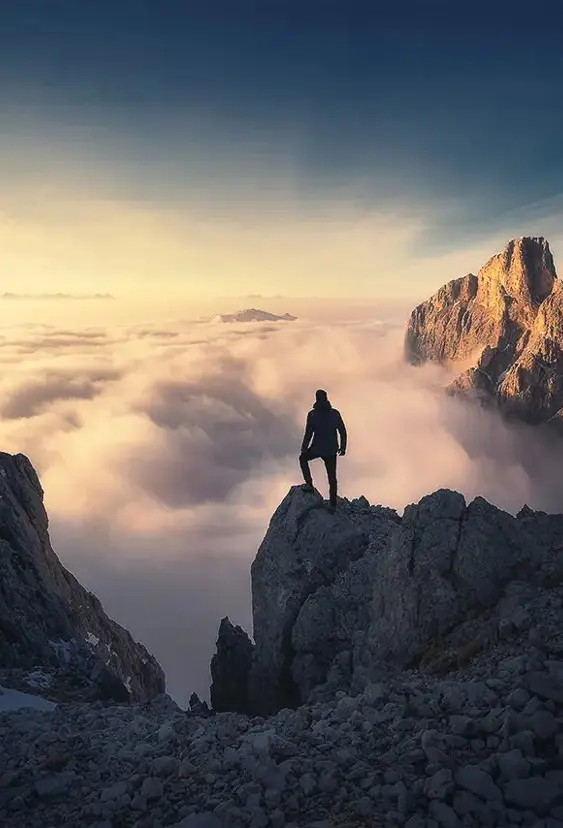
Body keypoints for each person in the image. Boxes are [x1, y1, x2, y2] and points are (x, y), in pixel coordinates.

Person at [299, 389, 347, 512]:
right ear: (326, 398)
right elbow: (342, 431)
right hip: (331, 449)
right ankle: (333, 504)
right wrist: (343, 447)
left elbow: (308, 433)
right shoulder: (335, 413)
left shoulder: (312, 415)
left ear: (316, 399)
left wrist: (304, 448)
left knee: (302, 458)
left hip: (317, 448)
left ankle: (309, 484)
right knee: (332, 477)